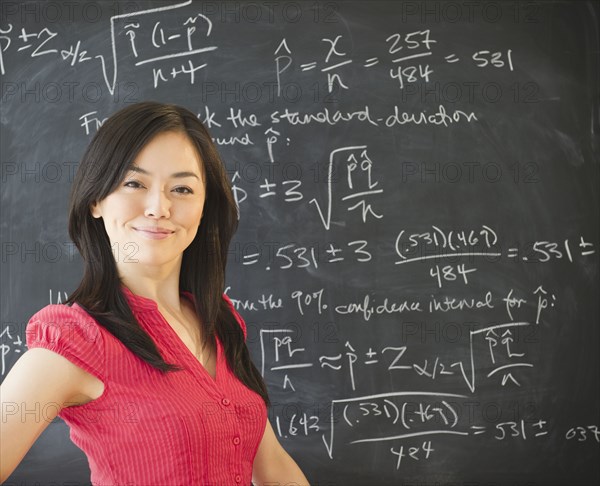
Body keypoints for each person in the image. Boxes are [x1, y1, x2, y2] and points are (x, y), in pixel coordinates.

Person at [0, 101, 309, 485]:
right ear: (96, 199)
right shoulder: (74, 339)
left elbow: (272, 467)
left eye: (181, 188)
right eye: (134, 183)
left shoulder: (219, 321)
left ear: (203, 206)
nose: (159, 207)